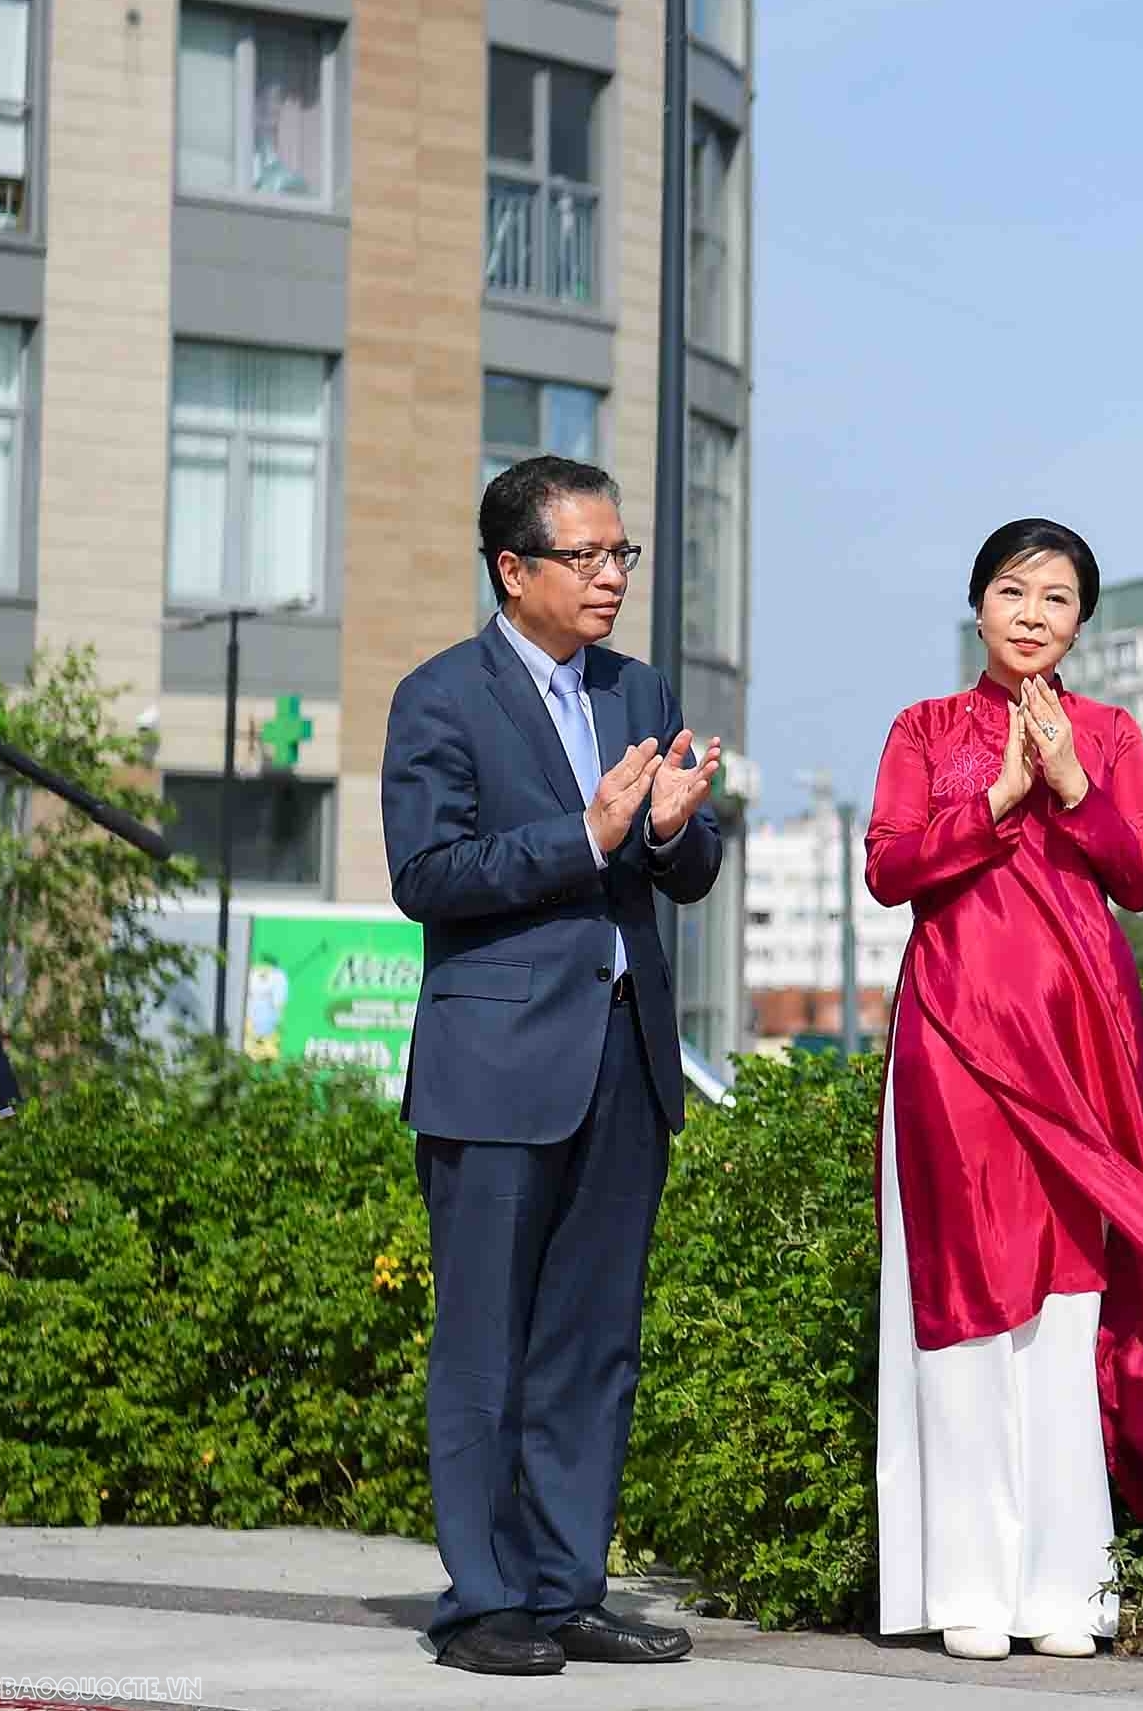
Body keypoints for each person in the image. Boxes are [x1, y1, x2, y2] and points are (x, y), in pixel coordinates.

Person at [866, 519, 1143, 1662]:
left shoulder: (1113, 733)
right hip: (953, 1039)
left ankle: (1070, 1585)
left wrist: (1073, 782)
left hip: (1083, 1046)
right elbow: (888, 867)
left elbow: (1141, 876)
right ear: (978, 603)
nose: (1034, 613)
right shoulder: (925, 728)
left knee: (1071, 1303)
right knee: (966, 1301)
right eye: (1015, 591)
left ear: (1083, 620)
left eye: (1060, 598)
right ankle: (970, 1582)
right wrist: (995, 800)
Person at [383, 456, 726, 1676]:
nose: (612, 578)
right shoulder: (440, 697)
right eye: (586, 557)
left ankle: (566, 1583)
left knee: (593, 1345)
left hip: (624, 1062)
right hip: (496, 1067)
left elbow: (685, 866)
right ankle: (483, 1601)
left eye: (622, 554)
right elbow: (427, 877)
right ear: (511, 568)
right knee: (486, 1342)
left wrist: (675, 830)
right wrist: (585, 834)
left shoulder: (640, 688)